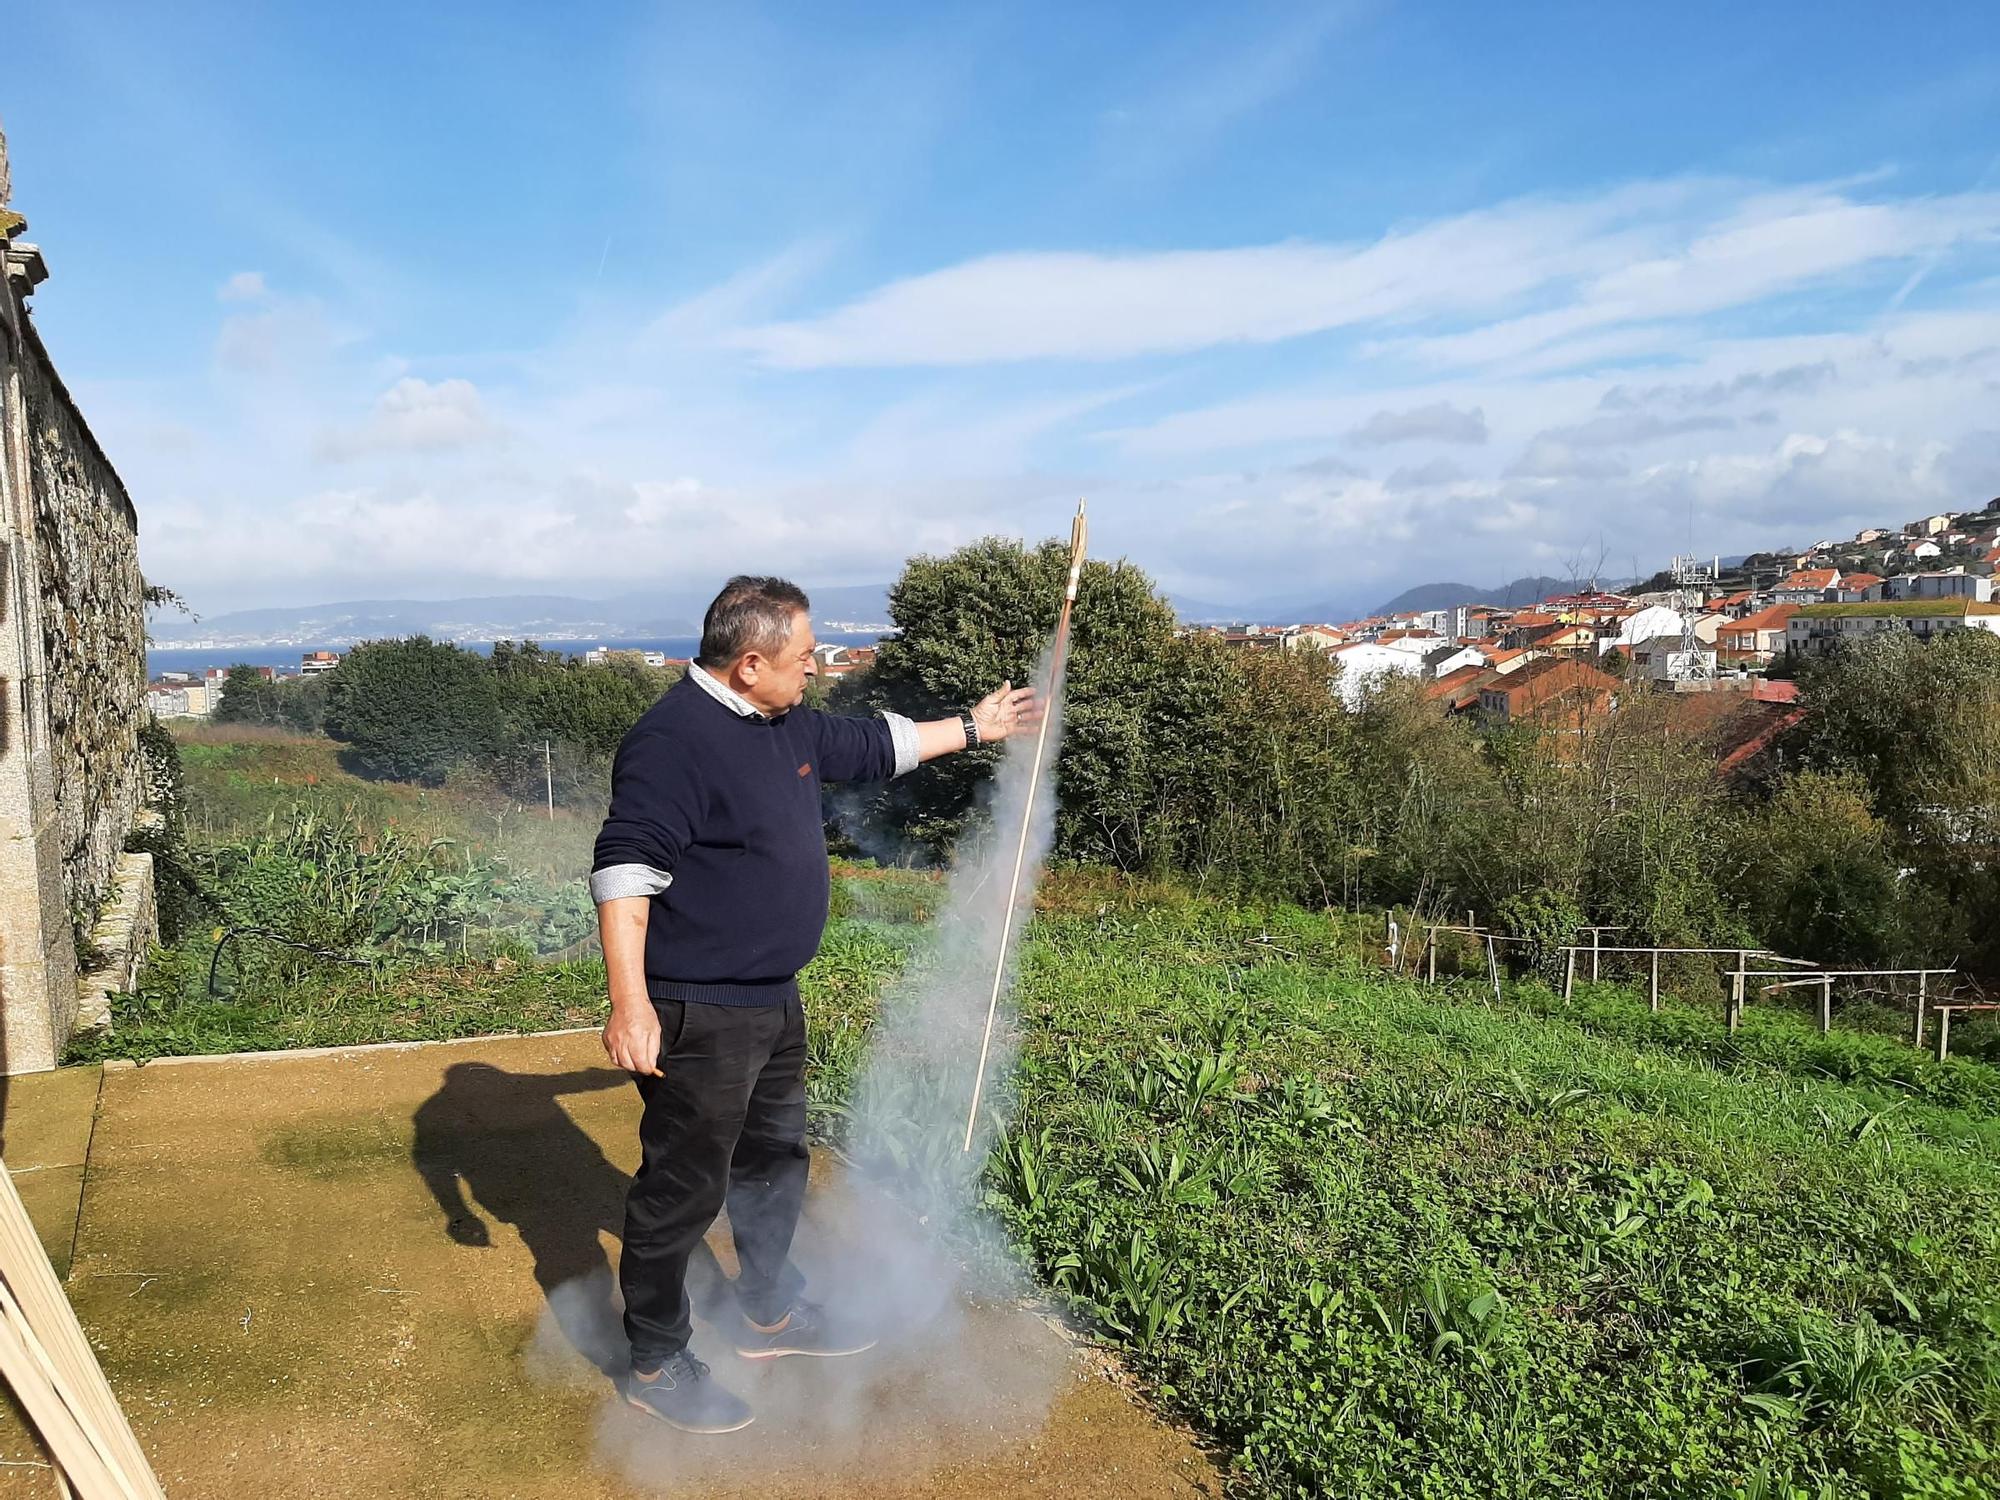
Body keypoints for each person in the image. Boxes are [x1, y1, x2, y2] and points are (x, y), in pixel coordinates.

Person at [590, 575, 1038, 1433]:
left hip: (771, 1000)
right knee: (681, 1187)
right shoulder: (672, 742)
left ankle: (768, 1312)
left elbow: (876, 745)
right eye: (805, 658)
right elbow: (625, 871)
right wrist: (630, 1005)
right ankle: (654, 1358)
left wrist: (979, 727)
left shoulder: (782, 719)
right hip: (697, 1009)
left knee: (773, 1164)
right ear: (749, 662)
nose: (817, 671)